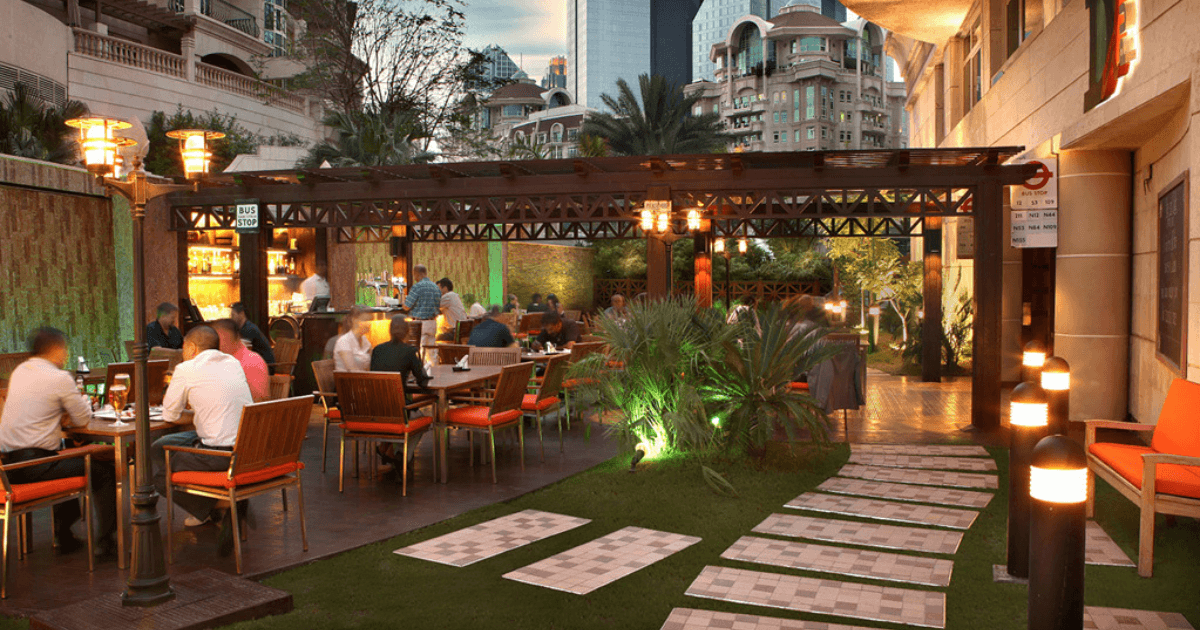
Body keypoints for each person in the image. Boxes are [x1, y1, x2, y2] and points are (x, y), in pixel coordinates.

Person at [0, 327, 117, 555]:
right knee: (103, 471)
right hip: (33, 465)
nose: (65, 356)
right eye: (64, 350)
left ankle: (64, 534)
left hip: (8, 467)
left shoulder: (20, 371)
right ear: (55, 349)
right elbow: (82, 417)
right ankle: (106, 543)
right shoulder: (59, 377)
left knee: (66, 456)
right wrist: (78, 405)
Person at [211, 318, 270, 401]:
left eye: (217, 340)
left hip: (247, 412)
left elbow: (260, 400)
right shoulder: (227, 360)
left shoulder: (251, 361)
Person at [370, 316, 430, 388]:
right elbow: (422, 381)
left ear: (390, 331)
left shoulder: (377, 350)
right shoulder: (409, 351)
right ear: (407, 331)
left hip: (377, 398)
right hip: (398, 398)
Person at [400, 265, 440, 349]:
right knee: (431, 351)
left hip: (420, 324)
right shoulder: (436, 287)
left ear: (418, 274)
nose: (414, 278)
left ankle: (419, 362)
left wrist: (402, 302)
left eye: (414, 275)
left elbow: (407, 306)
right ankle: (433, 363)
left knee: (419, 350)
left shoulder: (417, 287)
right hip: (432, 323)